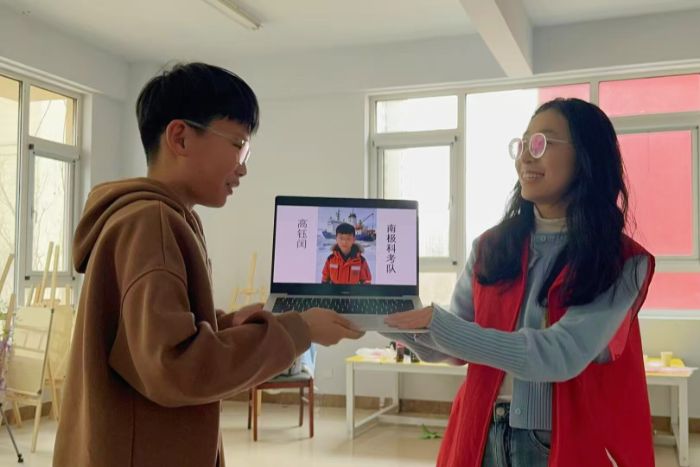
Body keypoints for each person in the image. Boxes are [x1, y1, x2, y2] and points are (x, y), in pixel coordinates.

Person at [53, 62, 363, 467]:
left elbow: (145, 339)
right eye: (238, 145)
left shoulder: (156, 218)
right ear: (180, 137)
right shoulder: (151, 223)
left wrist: (227, 324)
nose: (244, 167)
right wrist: (299, 330)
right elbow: (174, 367)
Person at [385, 98, 655, 467]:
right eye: (523, 144)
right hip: (480, 432)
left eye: (541, 143)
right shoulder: (490, 246)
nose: (526, 157)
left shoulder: (622, 260)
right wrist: (388, 318)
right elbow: (453, 349)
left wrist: (440, 325)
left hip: (560, 442)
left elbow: (560, 354)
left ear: (586, 157)